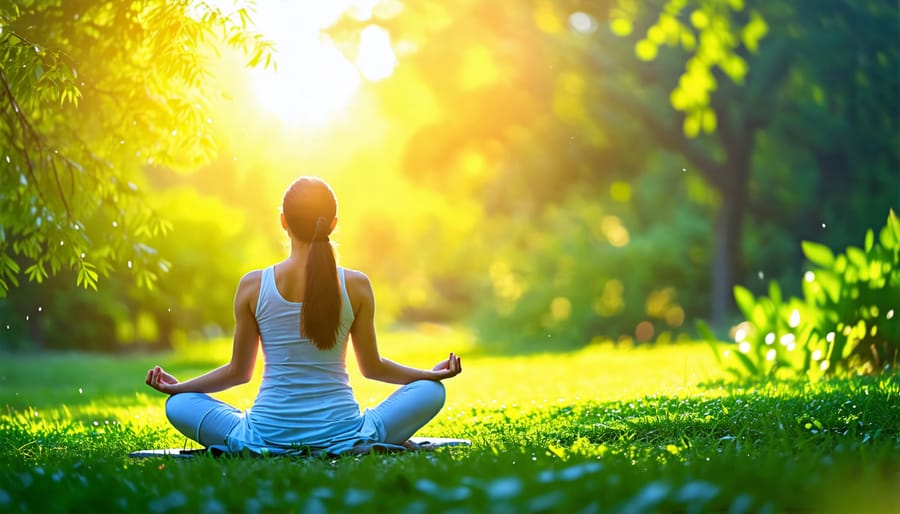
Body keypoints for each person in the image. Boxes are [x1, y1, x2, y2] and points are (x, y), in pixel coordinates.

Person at [145, 176, 462, 455]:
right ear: (333, 223)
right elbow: (373, 367)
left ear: (283, 221)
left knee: (179, 406)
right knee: (430, 392)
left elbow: (238, 372)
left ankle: (252, 441)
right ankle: (357, 441)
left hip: (264, 436)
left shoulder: (253, 286)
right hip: (345, 434)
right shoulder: (357, 285)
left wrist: (180, 389)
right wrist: (430, 376)